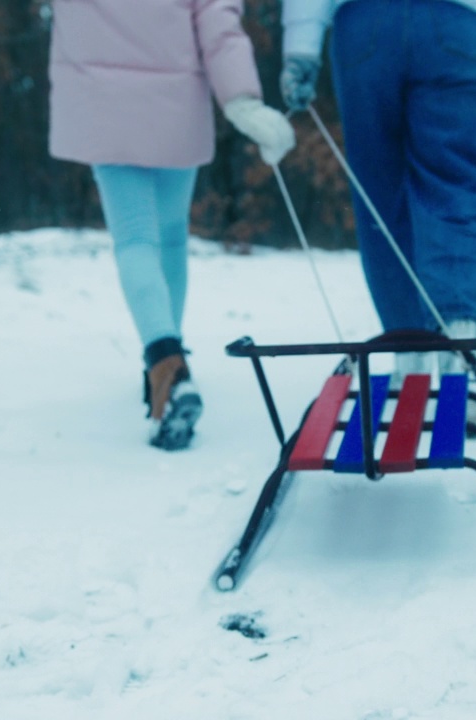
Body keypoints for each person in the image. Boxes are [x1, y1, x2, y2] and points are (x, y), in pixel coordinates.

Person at [49, 0, 295, 450]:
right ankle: (169, 357)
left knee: (135, 240)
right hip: (174, 105)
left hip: (103, 105)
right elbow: (219, 25)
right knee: (168, 240)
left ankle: (166, 361)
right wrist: (242, 100)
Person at [279, 0, 476, 375]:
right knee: (460, 181)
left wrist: (300, 47)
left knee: (379, 189)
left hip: (366, 26)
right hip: (460, 23)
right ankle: (459, 335)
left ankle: (408, 350)